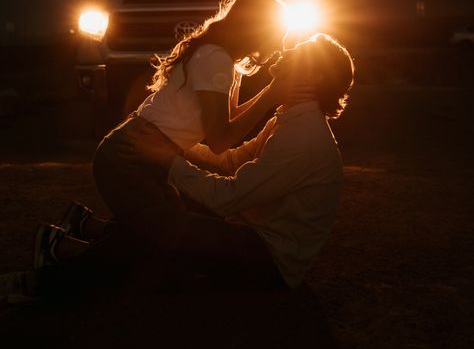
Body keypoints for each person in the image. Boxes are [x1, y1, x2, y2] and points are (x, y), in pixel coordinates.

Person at [0, 32, 354, 302]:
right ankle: (71, 242)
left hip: (270, 258)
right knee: (164, 216)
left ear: (314, 78)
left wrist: (169, 162)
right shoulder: (291, 118)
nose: (287, 49)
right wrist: (173, 147)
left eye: (299, 52)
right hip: (252, 232)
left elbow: (227, 199)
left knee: (168, 233)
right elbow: (233, 161)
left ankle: (47, 275)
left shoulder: (303, 136)